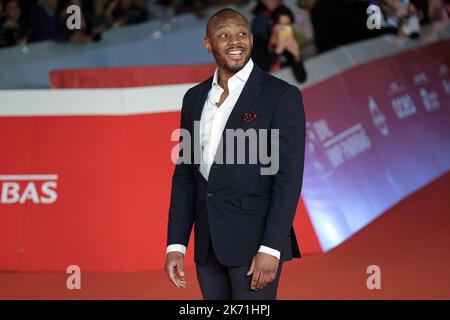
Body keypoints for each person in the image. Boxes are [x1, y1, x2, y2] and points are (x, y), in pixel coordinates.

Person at [164, 8, 305, 300]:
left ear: (252, 38)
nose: (235, 42)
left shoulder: (280, 95)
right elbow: (185, 178)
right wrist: (176, 245)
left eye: (242, 34)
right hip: (207, 246)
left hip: (255, 245)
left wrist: (271, 247)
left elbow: (288, 179)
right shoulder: (193, 98)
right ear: (208, 44)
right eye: (224, 35)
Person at [252, 5, 308, 83]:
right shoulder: (258, 41)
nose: (284, 28)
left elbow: (301, 78)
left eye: (287, 25)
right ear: (272, 23)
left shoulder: (291, 44)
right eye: (280, 24)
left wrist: (297, 56)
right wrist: (277, 51)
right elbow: (255, 70)